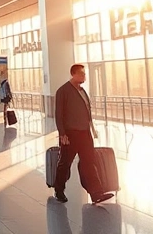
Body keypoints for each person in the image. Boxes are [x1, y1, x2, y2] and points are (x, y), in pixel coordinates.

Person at [53, 64, 114, 205]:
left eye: (84, 74)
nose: (84, 76)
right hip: (70, 134)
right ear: (73, 74)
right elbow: (59, 114)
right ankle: (59, 190)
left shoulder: (82, 91)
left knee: (89, 162)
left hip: (85, 133)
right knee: (65, 163)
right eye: (81, 74)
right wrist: (62, 133)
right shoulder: (63, 91)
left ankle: (96, 193)